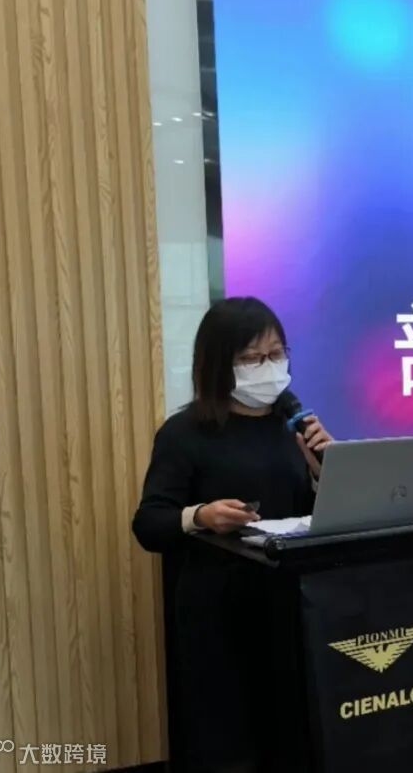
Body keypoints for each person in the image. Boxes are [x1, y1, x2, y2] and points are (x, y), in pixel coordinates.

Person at [132, 297, 331, 773]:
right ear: (220, 363)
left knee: (294, 738)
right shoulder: (184, 433)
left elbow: (312, 519)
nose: (269, 367)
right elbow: (149, 523)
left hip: (291, 607)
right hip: (220, 615)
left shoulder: (295, 430)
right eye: (252, 358)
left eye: (277, 354)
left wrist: (324, 473)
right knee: (230, 746)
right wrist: (201, 515)